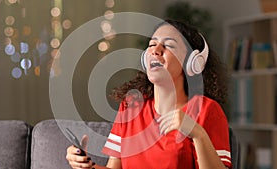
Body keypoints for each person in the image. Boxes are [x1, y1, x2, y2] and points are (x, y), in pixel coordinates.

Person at [66, 19, 231, 169]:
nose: (156, 50)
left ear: (192, 62)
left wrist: (198, 134)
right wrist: (87, 166)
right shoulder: (131, 104)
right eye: (152, 44)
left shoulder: (208, 110)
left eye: (169, 45)